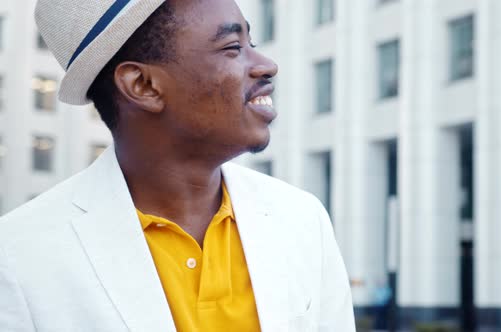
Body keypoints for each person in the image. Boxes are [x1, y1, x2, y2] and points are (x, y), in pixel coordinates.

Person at [0, 0, 355, 331]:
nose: (266, 65)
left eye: (252, 41)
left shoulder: (302, 219)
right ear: (144, 85)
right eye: (233, 47)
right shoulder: (18, 258)